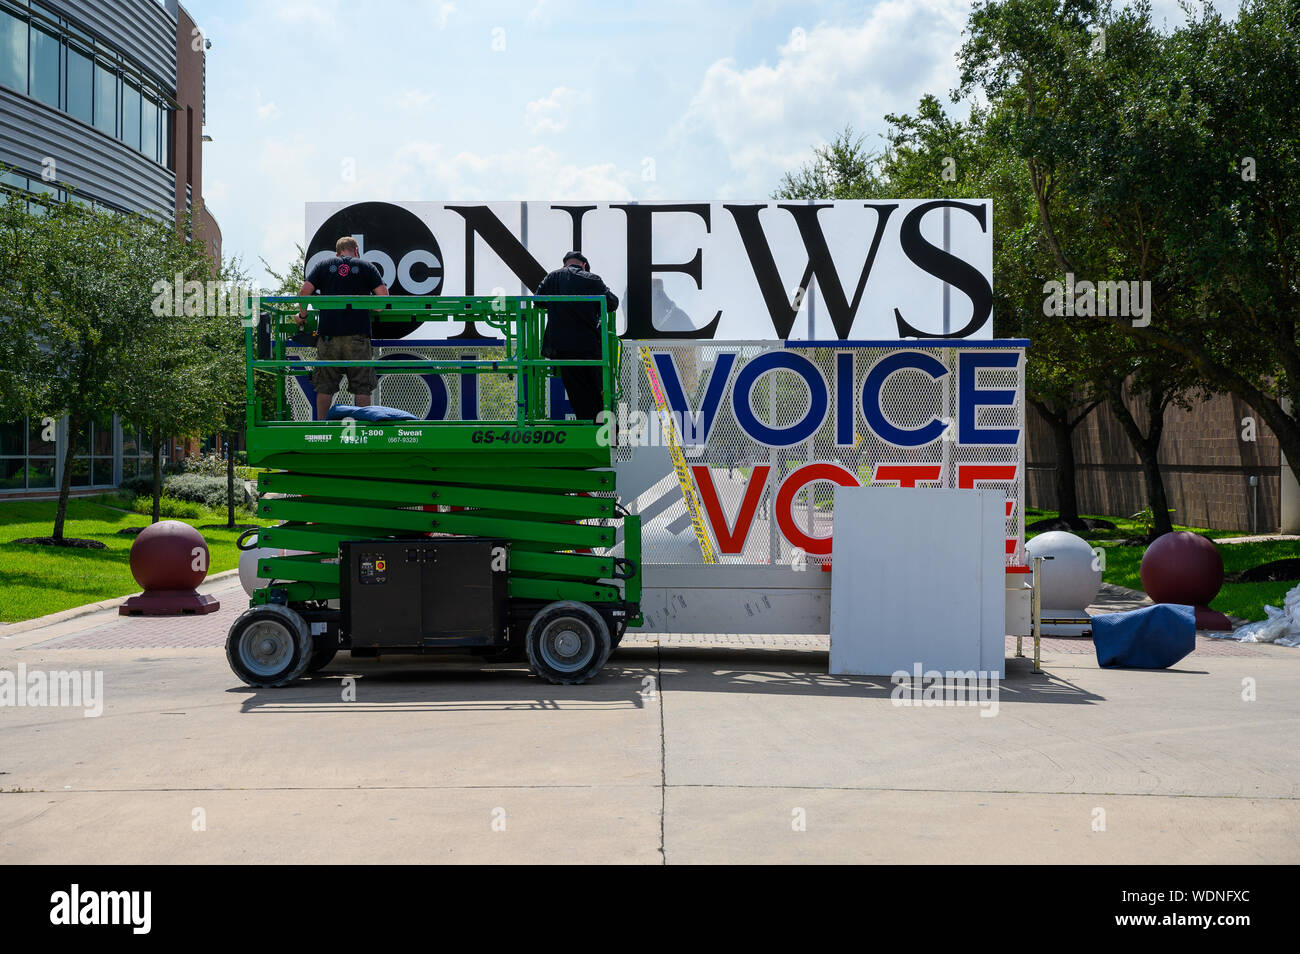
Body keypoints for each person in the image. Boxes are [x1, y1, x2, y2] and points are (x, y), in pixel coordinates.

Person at [297, 236, 389, 420]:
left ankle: (322, 431)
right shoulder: (366, 266)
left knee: (325, 386)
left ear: (337, 252)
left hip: (328, 336)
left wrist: (302, 316)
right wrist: (367, 305)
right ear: (356, 250)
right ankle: (362, 432)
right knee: (362, 387)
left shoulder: (324, 265)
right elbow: (382, 299)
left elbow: (304, 292)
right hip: (358, 335)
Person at [535, 251, 619, 422]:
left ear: (564, 264)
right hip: (589, 346)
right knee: (598, 388)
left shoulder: (551, 278)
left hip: (562, 348)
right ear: (584, 265)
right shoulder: (592, 279)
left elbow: (538, 300)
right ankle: (606, 429)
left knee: (576, 390)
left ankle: (588, 425)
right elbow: (612, 303)